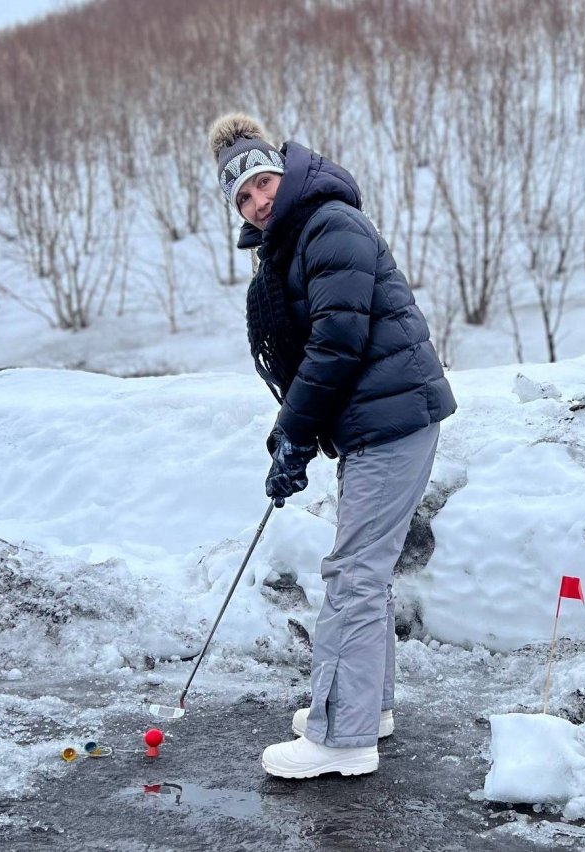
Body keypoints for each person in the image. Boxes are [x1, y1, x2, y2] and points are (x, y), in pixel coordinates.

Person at [208, 114, 457, 779]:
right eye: (242, 197)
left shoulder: (327, 225)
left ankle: (342, 736)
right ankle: (364, 708)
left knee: (352, 574)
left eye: (261, 182)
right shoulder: (295, 237)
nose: (257, 202)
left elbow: (337, 343)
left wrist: (293, 430)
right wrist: (295, 436)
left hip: (393, 417)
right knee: (364, 571)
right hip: (379, 419)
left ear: (281, 170)